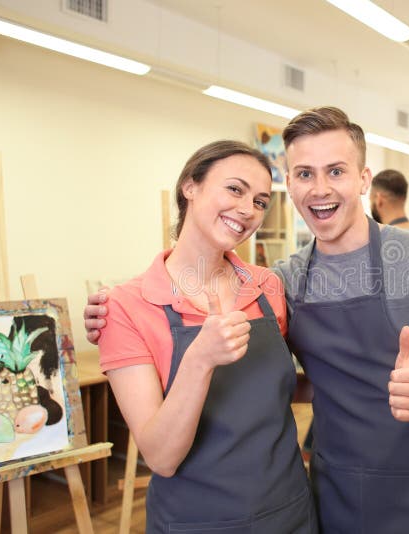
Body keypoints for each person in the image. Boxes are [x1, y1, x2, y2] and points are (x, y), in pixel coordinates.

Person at [86, 107, 409, 533]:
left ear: (364, 179)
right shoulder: (284, 281)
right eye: (305, 174)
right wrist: (110, 318)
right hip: (330, 493)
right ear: (289, 183)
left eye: (336, 171)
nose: (320, 188)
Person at [95, 141, 316, 533]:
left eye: (261, 201)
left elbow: (274, 389)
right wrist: (200, 358)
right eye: (235, 189)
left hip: (289, 512)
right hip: (197, 521)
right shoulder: (125, 307)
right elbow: (161, 457)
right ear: (190, 186)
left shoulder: (268, 287)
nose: (248, 209)